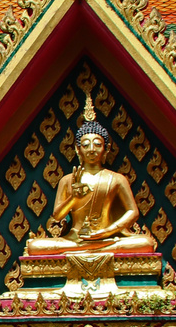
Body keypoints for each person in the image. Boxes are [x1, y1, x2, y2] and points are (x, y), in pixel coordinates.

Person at [26, 95, 155, 255]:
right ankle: (87, 248)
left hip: (108, 238)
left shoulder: (116, 178)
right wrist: (73, 198)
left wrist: (107, 231)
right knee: (35, 246)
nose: (92, 149)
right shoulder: (67, 180)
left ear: (106, 150)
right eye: (86, 145)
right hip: (74, 239)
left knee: (145, 242)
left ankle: (91, 248)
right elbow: (57, 216)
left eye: (98, 144)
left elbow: (132, 212)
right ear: (78, 149)